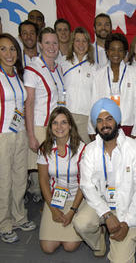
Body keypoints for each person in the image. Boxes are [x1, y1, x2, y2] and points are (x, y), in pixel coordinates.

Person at [73, 98, 136, 262]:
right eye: (99, 120)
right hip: (100, 205)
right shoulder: (90, 150)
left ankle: (119, 236)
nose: (104, 124)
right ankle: (99, 241)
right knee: (81, 223)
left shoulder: (135, 149)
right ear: (95, 125)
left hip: (126, 207)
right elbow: (86, 186)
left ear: (117, 120)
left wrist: (127, 222)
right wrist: (107, 214)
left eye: (109, 118)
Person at [0, 33, 36, 244]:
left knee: (20, 178)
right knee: (4, 181)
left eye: (12, 48)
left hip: (20, 133)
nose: (9, 53)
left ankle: (19, 216)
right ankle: (4, 223)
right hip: (3, 136)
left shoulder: (18, 75)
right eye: (3, 49)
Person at [24, 27, 65, 202]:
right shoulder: (32, 69)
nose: (51, 46)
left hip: (58, 128)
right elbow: (29, 103)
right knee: (44, 171)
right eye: (47, 42)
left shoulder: (59, 68)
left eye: (54, 42)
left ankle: (55, 204)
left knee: (56, 170)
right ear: (40, 44)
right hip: (41, 127)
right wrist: (31, 135)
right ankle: (48, 208)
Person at [38, 107, 86, 253]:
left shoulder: (82, 148)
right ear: (50, 127)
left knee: (69, 246)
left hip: (77, 199)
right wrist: (53, 208)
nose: (59, 127)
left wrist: (72, 211)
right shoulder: (44, 149)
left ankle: (94, 227)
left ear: (70, 125)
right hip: (55, 199)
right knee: (48, 248)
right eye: (55, 123)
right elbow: (43, 180)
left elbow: (84, 184)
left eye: (64, 122)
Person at [88, 33, 136, 139]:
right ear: (107, 51)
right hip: (104, 125)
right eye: (112, 49)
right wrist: (91, 128)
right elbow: (94, 102)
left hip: (127, 125)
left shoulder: (133, 73)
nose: (116, 53)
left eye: (120, 50)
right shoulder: (99, 74)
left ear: (125, 52)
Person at [61, 27, 96, 144]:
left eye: (84, 41)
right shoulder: (63, 63)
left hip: (86, 118)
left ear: (88, 44)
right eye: (77, 40)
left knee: (83, 155)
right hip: (66, 116)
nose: (81, 44)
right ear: (72, 42)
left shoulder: (95, 67)